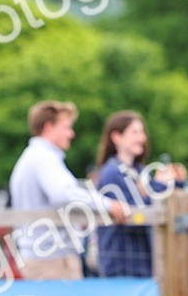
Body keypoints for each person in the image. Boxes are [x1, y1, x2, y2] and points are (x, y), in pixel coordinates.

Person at [8, 101, 126, 280]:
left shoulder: (36, 157)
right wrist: (108, 205)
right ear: (49, 127)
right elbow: (64, 193)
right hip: (51, 260)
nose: (71, 133)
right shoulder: (43, 158)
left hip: (45, 255)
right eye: (66, 127)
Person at [93, 110, 187, 278]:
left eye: (142, 132)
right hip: (121, 263)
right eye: (135, 132)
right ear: (116, 137)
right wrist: (159, 184)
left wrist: (176, 182)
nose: (142, 138)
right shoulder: (111, 173)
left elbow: (156, 200)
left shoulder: (140, 171)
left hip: (144, 261)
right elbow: (135, 213)